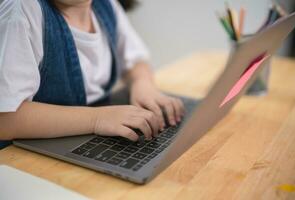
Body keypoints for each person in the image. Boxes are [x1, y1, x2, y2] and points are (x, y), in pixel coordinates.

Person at [0, 0, 184, 148]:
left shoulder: (106, 5)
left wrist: (143, 85)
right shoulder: (22, 11)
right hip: (26, 153)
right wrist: (97, 119)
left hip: (85, 138)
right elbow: (5, 120)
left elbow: (135, 60)